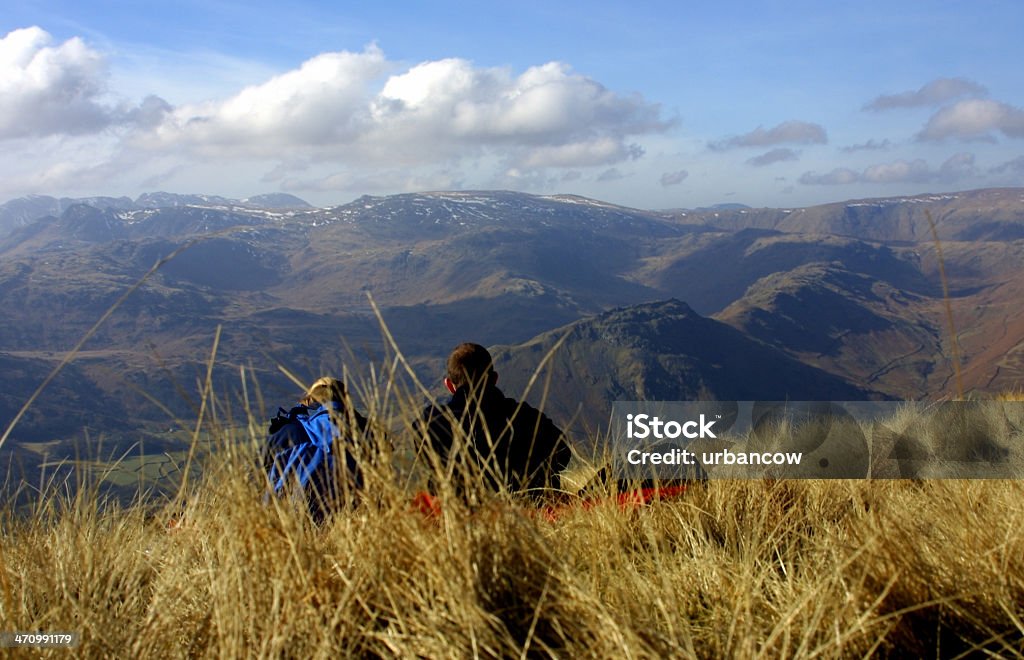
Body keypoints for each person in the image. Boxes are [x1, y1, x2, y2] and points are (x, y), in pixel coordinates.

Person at [418, 342, 571, 502]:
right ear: (494, 379)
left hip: (458, 517)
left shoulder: (431, 423)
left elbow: (425, 461)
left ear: (449, 385)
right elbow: (563, 454)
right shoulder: (525, 416)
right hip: (528, 514)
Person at [264, 376, 370, 521]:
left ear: (311, 400)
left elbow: (261, 476)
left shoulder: (292, 431)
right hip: (356, 523)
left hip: (298, 519)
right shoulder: (368, 435)